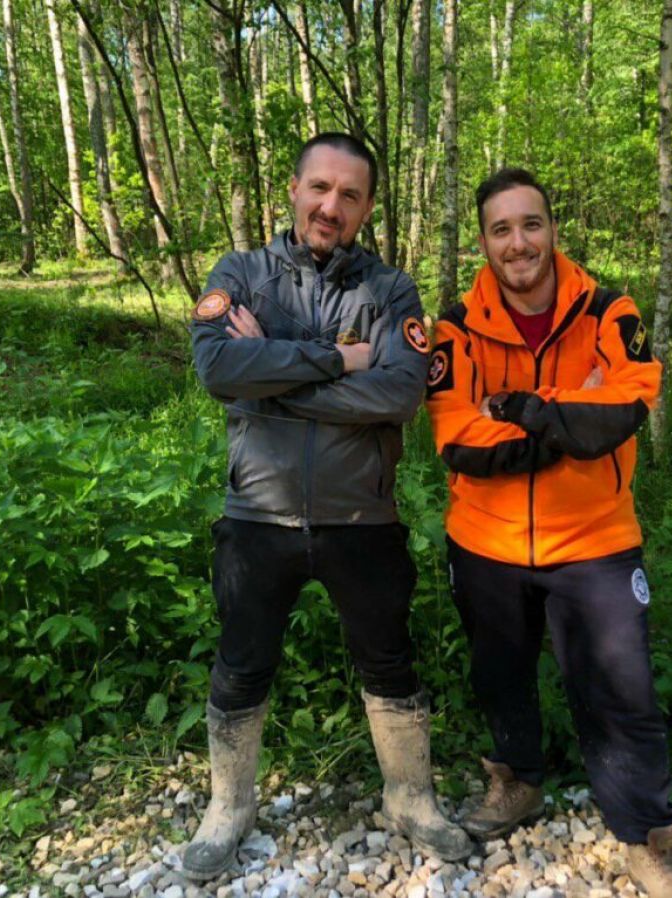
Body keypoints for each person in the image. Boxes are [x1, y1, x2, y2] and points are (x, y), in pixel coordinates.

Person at [184, 132, 470, 881]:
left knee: (390, 662)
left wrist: (271, 378)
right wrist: (339, 358)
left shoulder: (393, 291)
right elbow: (217, 367)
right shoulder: (241, 274)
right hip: (257, 515)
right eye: (319, 187)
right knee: (241, 664)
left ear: (367, 207)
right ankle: (228, 806)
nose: (330, 206)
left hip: (362, 520)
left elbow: (399, 393)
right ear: (293, 189)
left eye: (349, 194)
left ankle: (410, 798)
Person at [424, 168, 672, 898]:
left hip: (595, 539)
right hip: (485, 542)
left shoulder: (610, 312)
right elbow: (458, 439)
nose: (519, 243)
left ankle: (647, 836)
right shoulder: (456, 327)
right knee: (499, 674)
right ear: (484, 242)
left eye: (531, 224)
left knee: (622, 689)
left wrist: (516, 406)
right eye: (502, 229)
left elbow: (623, 410)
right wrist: (568, 416)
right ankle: (517, 781)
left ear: (552, 229)